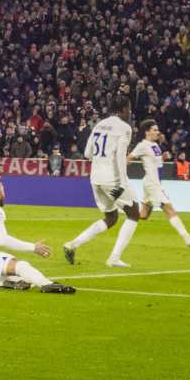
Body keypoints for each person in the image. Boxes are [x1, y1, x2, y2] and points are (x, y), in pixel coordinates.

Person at [0, 175, 75, 294]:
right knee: (22, 266)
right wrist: (33, 247)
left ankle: (8, 282)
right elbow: (3, 240)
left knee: (22, 278)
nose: (4, 193)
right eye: (3, 189)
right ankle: (47, 285)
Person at [63, 97, 140, 268]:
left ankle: (72, 244)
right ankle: (114, 258)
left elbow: (87, 153)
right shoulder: (124, 128)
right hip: (112, 178)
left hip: (95, 177)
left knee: (111, 217)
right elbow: (120, 155)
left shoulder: (99, 124)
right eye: (128, 109)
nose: (130, 112)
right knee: (134, 213)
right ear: (122, 109)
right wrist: (121, 182)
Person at [128, 120, 190, 247]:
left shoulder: (155, 146)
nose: (157, 132)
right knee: (169, 209)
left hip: (153, 182)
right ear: (147, 132)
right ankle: (187, 237)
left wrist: (162, 157)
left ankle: (124, 209)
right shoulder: (142, 145)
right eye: (154, 130)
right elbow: (129, 158)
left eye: (158, 130)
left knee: (144, 215)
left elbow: (156, 164)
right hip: (152, 184)